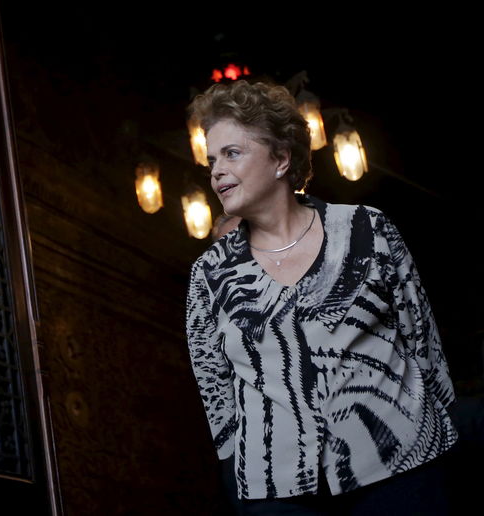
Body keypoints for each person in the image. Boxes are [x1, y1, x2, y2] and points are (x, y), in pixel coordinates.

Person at [184, 80, 458, 515]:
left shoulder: (369, 229)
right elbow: (216, 392)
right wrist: (243, 476)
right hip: (279, 492)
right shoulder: (209, 274)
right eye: (212, 159)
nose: (216, 170)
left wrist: (442, 442)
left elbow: (422, 341)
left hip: (401, 467)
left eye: (232, 153)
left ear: (280, 158)